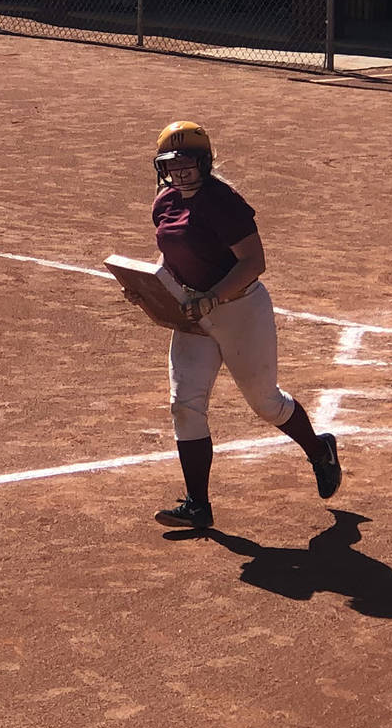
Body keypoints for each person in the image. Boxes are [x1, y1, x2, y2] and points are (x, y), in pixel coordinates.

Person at [123, 121, 342, 530]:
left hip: (240, 309)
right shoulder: (164, 203)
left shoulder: (224, 203)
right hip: (193, 313)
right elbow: (171, 260)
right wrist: (150, 289)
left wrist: (215, 297)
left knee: (267, 404)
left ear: (205, 163)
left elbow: (254, 262)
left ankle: (319, 450)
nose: (180, 171)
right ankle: (198, 505)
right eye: (172, 164)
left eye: (188, 163)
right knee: (184, 404)